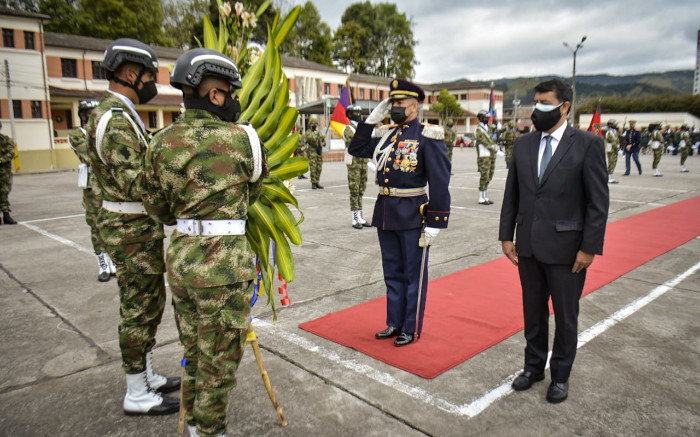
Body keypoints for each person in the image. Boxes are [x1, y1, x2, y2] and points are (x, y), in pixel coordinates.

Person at [142, 48, 266, 437]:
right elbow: (254, 195)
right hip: (223, 269)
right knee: (219, 367)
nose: (233, 99)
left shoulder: (160, 142)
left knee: (195, 355)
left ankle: (196, 427)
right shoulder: (244, 139)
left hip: (181, 262)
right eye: (230, 91)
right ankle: (209, 431)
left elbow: (157, 209)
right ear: (215, 94)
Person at [85, 38, 180, 416]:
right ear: (130, 73)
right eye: (148, 74)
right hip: (130, 228)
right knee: (139, 308)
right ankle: (136, 392)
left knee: (149, 302)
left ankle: (146, 374)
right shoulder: (114, 119)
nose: (151, 83)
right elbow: (137, 181)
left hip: (136, 226)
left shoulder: (121, 114)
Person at [499, 79, 609, 404]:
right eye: (536, 102)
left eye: (544, 102)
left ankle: (560, 375)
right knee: (533, 313)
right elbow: (512, 196)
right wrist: (507, 235)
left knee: (565, 316)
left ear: (564, 107)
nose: (537, 109)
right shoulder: (523, 145)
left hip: (567, 251)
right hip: (528, 247)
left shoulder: (587, 144)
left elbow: (597, 203)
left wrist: (589, 247)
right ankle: (533, 368)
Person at [349, 78, 451, 347]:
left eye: (399, 103)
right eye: (391, 103)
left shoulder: (427, 136)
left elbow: (440, 180)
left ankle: (410, 326)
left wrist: (436, 221)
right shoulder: (387, 134)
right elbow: (356, 148)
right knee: (392, 273)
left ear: (414, 107)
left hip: (413, 214)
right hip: (386, 212)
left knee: (412, 275)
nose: (394, 107)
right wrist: (371, 119)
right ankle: (394, 322)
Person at [69, 99, 116, 281]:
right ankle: (102, 264)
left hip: (107, 185)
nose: (93, 117)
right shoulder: (77, 134)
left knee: (110, 224)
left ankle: (112, 262)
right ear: (82, 116)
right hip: (92, 189)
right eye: (89, 114)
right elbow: (90, 156)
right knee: (96, 226)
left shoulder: (102, 132)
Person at [343, 104, 370, 229]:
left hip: (363, 162)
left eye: (359, 112)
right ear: (349, 114)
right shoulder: (348, 128)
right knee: (354, 190)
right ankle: (354, 217)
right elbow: (355, 142)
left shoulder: (361, 127)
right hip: (354, 163)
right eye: (354, 112)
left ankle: (360, 215)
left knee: (361, 190)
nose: (358, 114)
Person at [474, 109, 497, 204]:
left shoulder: (488, 128)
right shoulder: (478, 130)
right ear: (479, 118)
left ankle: (485, 196)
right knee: (484, 176)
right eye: (484, 118)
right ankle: (481, 197)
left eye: (487, 118)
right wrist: (496, 150)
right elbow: (485, 143)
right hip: (484, 157)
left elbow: (495, 132)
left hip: (491, 156)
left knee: (489, 176)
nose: (486, 119)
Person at [0, 121, 17, 225]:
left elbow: (11, 153)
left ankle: (6, 215)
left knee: (4, 193)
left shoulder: (6, 140)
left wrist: (0, 160)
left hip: (4, 173)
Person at [305, 116, 325, 189]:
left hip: (319, 152)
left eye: (316, 124)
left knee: (319, 168)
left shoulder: (317, 132)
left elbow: (322, 141)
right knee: (313, 168)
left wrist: (323, 142)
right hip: (312, 152)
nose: (314, 125)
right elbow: (312, 138)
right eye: (313, 123)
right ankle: (313, 183)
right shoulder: (308, 133)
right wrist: (320, 137)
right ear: (310, 124)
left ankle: (317, 182)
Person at [604, 119, 621, 184]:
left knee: (614, 163)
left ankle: (611, 177)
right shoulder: (609, 132)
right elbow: (613, 142)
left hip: (614, 149)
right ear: (610, 125)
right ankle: (609, 178)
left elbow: (618, 140)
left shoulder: (615, 131)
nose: (615, 125)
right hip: (611, 149)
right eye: (614, 124)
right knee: (611, 163)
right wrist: (618, 149)